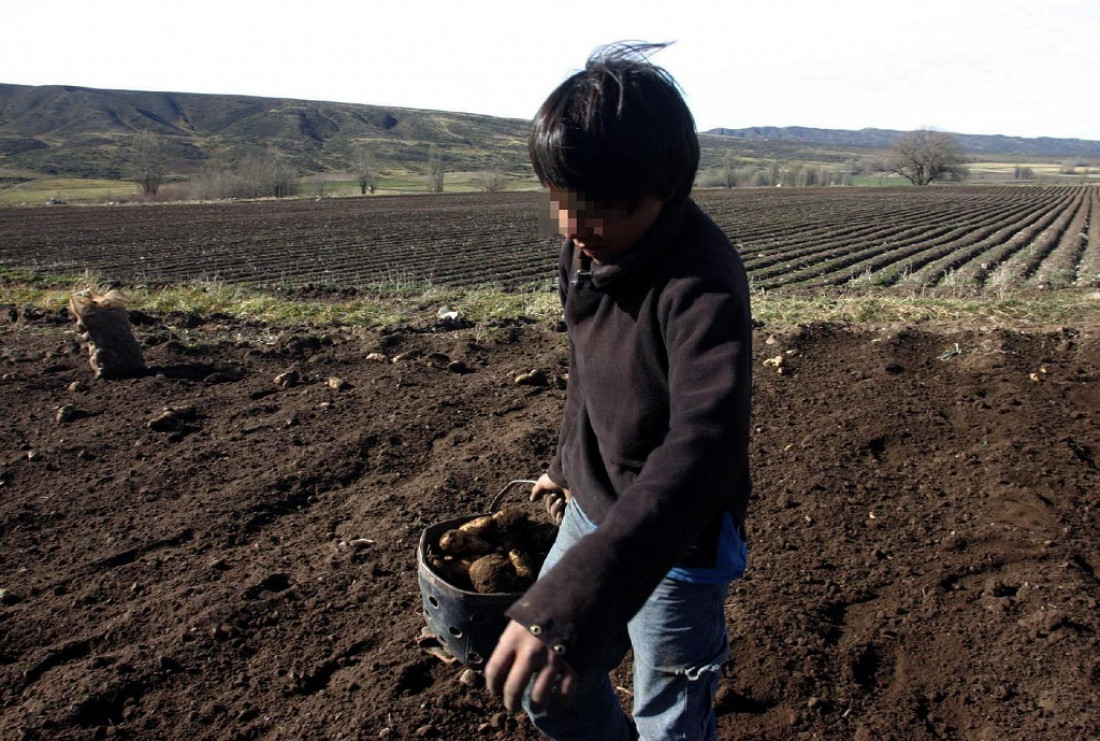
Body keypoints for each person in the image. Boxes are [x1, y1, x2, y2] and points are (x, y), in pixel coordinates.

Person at [484, 42, 753, 741]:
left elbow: (704, 448)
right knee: (549, 689)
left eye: (594, 209)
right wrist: (566, 460)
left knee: (670, 717)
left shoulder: (702, 284)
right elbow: (588, 365)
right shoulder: (584, 251)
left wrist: (576, 594)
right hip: (591, 509)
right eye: (558, 203)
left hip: (678, 538)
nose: (572, 228)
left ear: (659, 189)